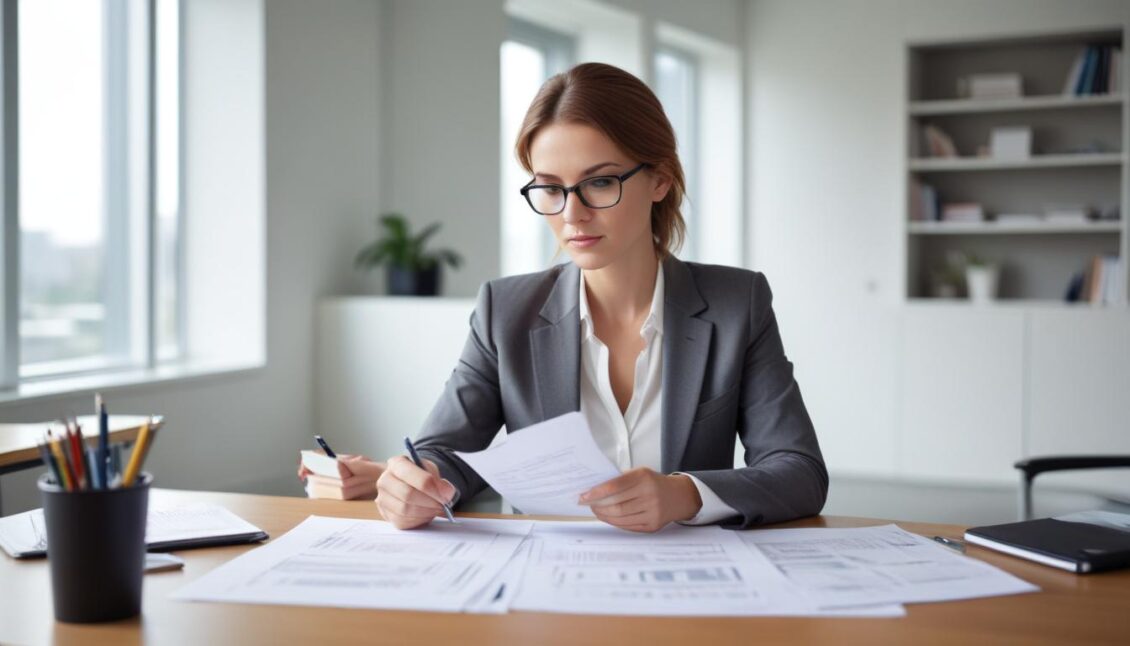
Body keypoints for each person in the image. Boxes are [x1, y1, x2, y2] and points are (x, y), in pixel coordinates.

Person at [312, 62, 828, 531]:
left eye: (599, 183)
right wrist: (414, 482)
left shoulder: (738, 302)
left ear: (660, 180)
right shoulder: (505, 310)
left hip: (689, 587)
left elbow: (799, 472)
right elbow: (444, 451)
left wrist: (683, 494)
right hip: (546, 586)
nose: (571, 214)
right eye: (551, 188)